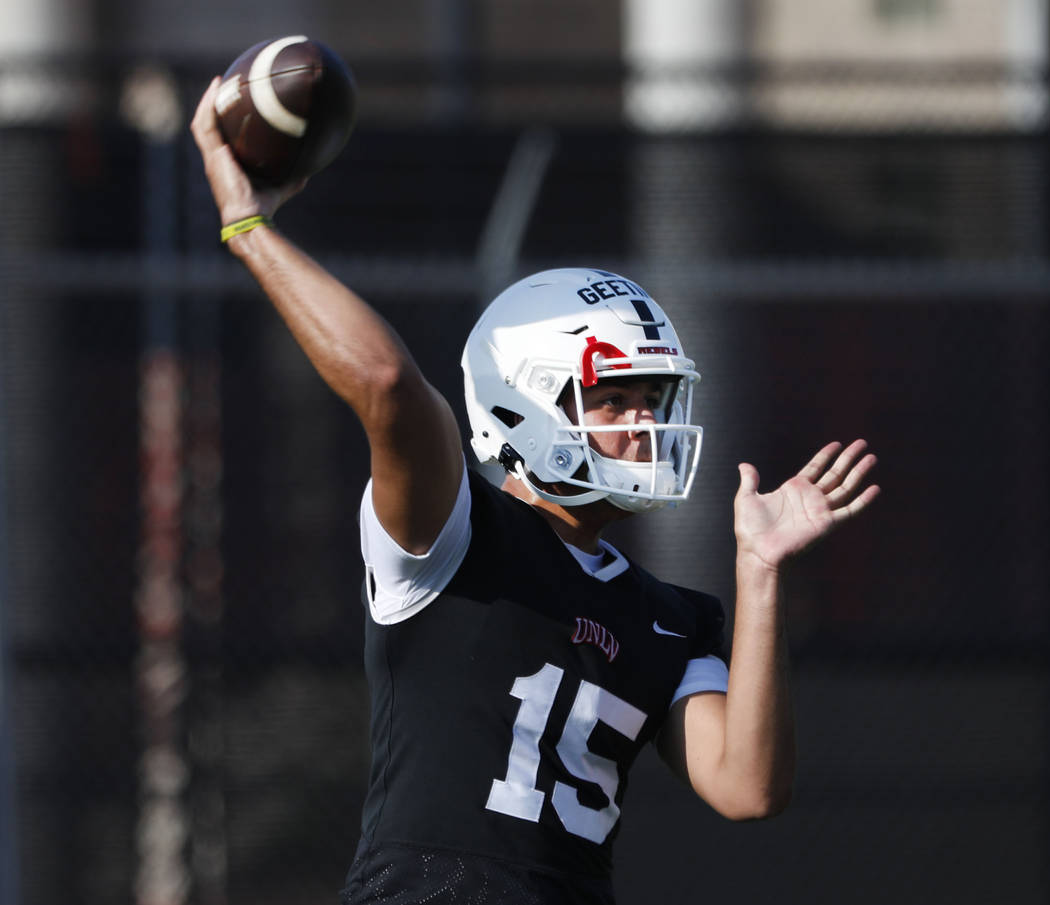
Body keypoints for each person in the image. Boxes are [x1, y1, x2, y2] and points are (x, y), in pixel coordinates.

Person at [191, 77, 880, 905]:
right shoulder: (452, 532)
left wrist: (760, 570)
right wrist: (248, 226)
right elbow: (383, 379)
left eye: (652, 400)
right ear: (525, 401)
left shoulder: (666, 615)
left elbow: (748, 786)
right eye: (614, 398)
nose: (642, 425)